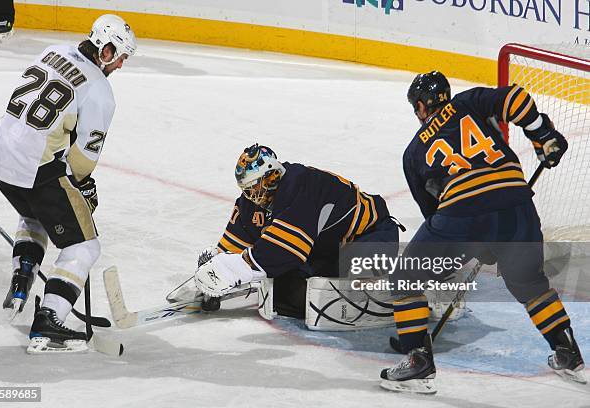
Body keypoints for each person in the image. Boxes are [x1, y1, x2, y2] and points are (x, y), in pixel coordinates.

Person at [380, 71, 585, 394]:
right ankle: (567, 352)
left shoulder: (414, 152)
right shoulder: (468, 102)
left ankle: (417, 360)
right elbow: (516, 98)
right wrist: (542, 134)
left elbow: (433, 216)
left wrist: (474, 243)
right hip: (517, 203)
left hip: (463, 214)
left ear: (420, 106)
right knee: (530, 283)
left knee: (406, 279)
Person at [0, 14, 136, 353]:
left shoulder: (53, 51)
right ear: (106, 50)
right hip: (33, 167)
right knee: (84, 246)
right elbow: (82, 160)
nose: (121, 65)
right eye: (121, 56)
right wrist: (80, 184)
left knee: (36, 214)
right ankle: (49, 322)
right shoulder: (101, 92)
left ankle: (24, 273)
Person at [193, 144, 402, 318]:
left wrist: (233, 269)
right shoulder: (252, 201)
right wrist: (218, 261)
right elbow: (238, 240)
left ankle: (400, 283)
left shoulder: (303, 186)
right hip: (325, 248)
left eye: (255, 188)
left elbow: (285, 251)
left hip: (371, 236)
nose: (251, 196)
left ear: (271, 176)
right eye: (246, 190)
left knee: (316, 298)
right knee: (285, 292)